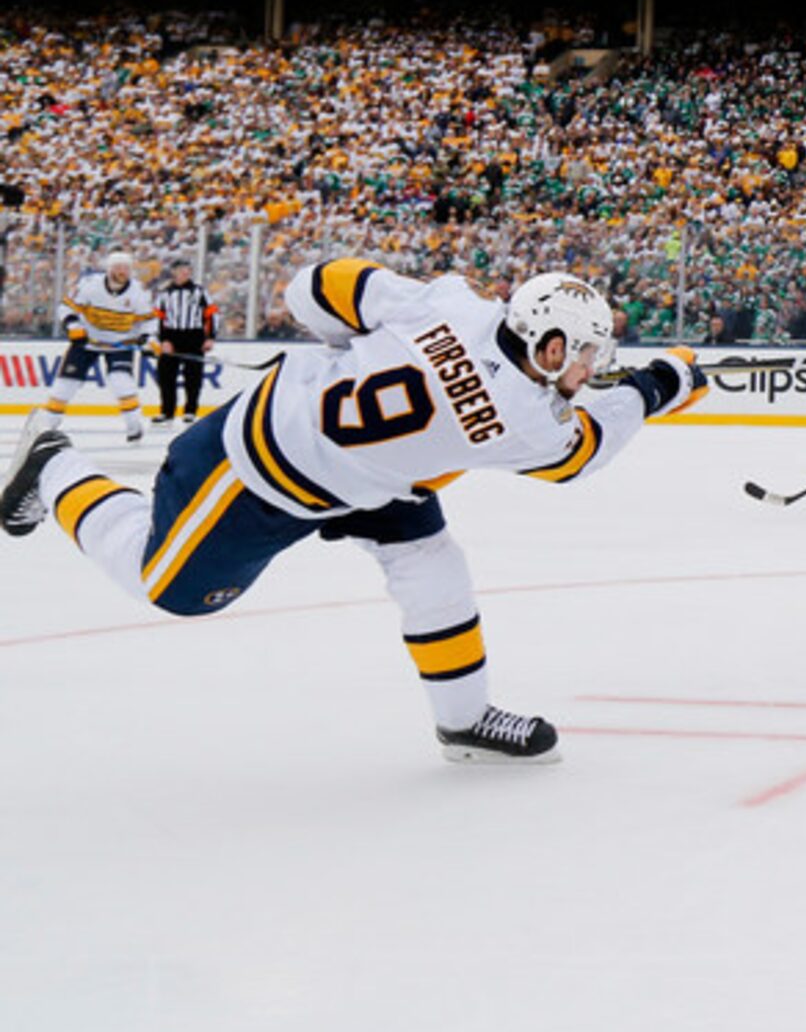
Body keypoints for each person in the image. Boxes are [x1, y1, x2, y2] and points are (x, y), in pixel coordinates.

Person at [1, 257, 704, 762]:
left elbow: (316, 286)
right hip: (260, 472)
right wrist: (659, 383)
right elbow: (581, 451)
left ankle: (463, 721)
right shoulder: (529, 422)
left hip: (361, 475)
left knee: (433, 564)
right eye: (584, 356)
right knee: (168, 586)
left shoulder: (452, 302)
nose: (588, 372)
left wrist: (345, 348)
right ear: (549, 347)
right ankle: (56, 465)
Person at [32, 251, 158, 446]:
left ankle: (134, 425)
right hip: (87, 342)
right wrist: (73, 326)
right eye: (118, 267)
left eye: (126, 267)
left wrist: (148, 338)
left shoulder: (138, 292)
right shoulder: (90, 285)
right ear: (109, 269)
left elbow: (148, 321)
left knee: (121, 381)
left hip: (120, 344)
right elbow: (66, 307)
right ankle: (48, 425)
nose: (123, 271)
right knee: (65, 384)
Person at [151, 259, 218, 423]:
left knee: (193, 376)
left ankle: (190, 410)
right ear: (174, 272)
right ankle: (167, 412)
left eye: (188, 269)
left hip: (194, 336)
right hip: (171, 336)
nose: (186, 272)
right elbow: (158, 318)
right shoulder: (164, 293)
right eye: (182, 269)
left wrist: (210, 337)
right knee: (166, 376)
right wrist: (163, 340)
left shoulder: (200, 292)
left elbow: (211, 315)